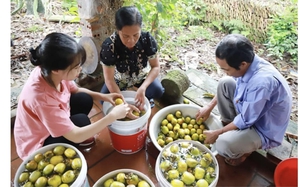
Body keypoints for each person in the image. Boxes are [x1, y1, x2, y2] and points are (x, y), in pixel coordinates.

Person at [14, 32, 135, 160]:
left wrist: (103, 96)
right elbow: (76, 135)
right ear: (57, 70)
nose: (80, 70)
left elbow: (75, 90)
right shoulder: (41, 98)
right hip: (39, 144)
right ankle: (65, 135)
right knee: (81, 122)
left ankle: (66, 127)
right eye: (77, 67)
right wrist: (112, 116)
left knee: (84, 98)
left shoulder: (49, 70)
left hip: (50, 120)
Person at [196, 34, 292, 166]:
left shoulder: (261, 83)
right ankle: (233, 129)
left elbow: (246, 120)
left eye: (226, 69)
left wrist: (217, 133)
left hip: (263, 128)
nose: (225, 72)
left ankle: (243, 151)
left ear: (243, 64)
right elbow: (233, 80)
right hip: (251, 111)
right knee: (225, 83)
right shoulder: (248, 63)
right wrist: (209, 106)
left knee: (223, 144)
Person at [99, 6, 165, 109]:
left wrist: (143, 88)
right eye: (125, 36)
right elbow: (109, 79)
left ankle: (145, 97)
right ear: (118, 30)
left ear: (140, 29)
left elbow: (155, 67)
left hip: (141, 76)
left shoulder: (146, 39)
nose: (131, 41)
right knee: (104, 100)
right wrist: (123, 103)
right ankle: (132, 97)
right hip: (119, 79)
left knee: (158, 90)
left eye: (135, 35)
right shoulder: (109, 46)